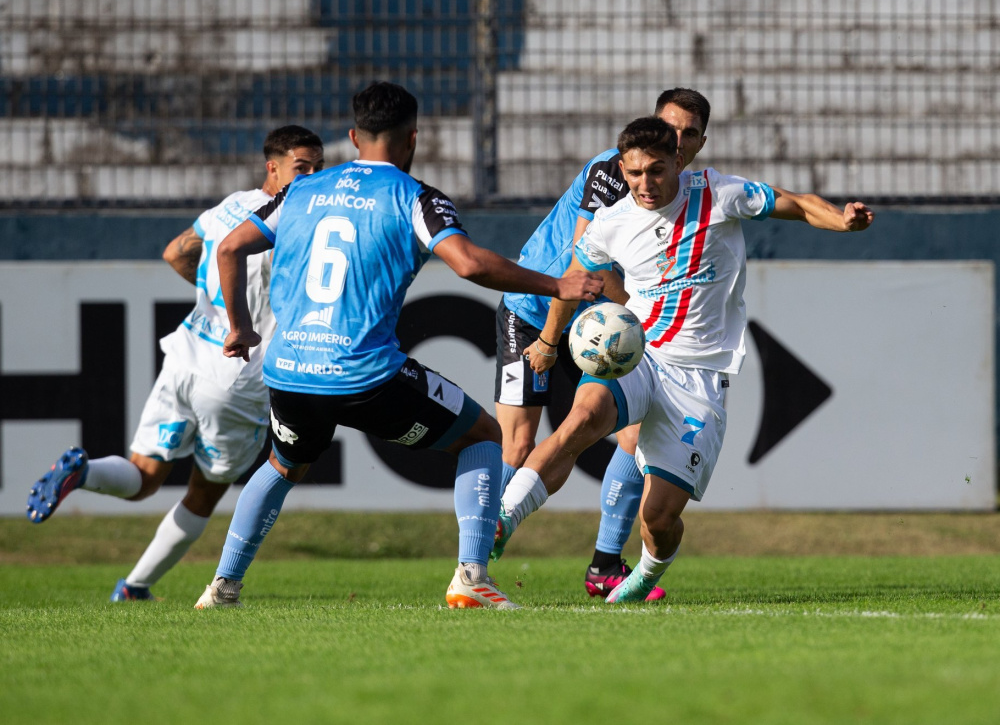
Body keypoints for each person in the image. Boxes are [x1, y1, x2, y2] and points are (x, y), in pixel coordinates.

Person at [192, 81, 603, 610]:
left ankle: (222, 587)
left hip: (290, 371)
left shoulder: (301, 191)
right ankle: (472, 577)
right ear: (413, 137)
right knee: (482, 435)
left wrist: (240, 327)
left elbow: (229, 248)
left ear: (352, 135)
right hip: (362, 374)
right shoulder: (414, 197)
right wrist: (557, 285)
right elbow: (470, 264)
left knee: (283, 465)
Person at [493, 116, 873, 602]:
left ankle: (645, 574)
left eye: (655, 171)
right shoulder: (611, 221)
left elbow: (796, 204)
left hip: (699, 376)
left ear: (678, 160)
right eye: (633, 174)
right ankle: (502, 520)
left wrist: (841, 220)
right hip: (640, 354)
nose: (644, 185)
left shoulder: (719, 193)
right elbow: (574, 282)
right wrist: (548, 341)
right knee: (581, 419)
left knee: (660, 519)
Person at [25, 125, 325, 601]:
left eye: (317, 168)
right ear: (273, 167)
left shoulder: (231, 205)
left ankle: (84, 475)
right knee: (204, 494)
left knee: (142, 477)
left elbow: (176, 252)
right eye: (301, 167)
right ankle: (135, 585)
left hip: (185, 354)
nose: (311, 176)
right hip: (237, 375)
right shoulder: (293, 220)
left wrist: (216, 300)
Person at [494, 88, 710, 601]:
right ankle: (474, 555)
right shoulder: (613, 171)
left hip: (599, 328)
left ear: (701, 142)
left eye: (688, 134)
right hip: (537, 311)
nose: (677, 140)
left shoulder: (682, 189)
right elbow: (584, 262)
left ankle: (604, 566)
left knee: (635, 439)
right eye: (668, 128)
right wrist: (551, 339)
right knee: (518, 446)